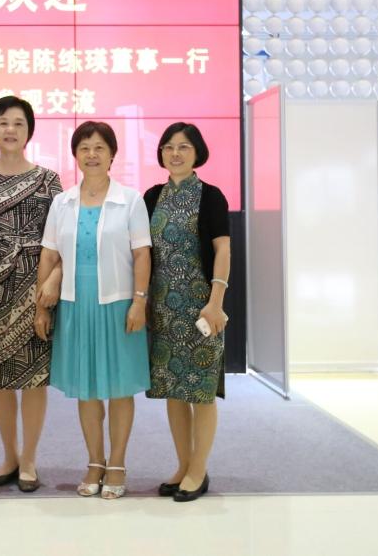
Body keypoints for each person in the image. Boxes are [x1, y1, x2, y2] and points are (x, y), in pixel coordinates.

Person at [34, 121, 151, 500]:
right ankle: (95, 461)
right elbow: (49, 255)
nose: (92, 154)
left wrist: (139, 300)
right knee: (86, 390)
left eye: (100, 147)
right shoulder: (62, 203)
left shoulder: (130, 200)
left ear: (112, 154)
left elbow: (141, 255)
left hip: (117, 304)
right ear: (75, 155)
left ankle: (117, 463)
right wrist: (41, 308)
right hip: (75, 304)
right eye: (84, 148)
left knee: (119, 388)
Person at [0, 97, 62, 493]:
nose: (10, 130)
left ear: (29, 131)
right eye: (3, 122)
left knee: (34, 379)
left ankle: (30, 459)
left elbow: (63, 238)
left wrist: (53, 282)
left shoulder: (49, 180)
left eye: (19, 123)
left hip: (37, 288)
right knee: (1, 379)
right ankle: (9, 456)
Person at [144, 122, 231, 503]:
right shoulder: (152, 197)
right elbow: (143, 254)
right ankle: (182, 466)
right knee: (173, 391)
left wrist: (216, 301)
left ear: (197, 153)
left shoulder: (210, 196)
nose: (175, 154)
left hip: (202, 309)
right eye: (168, 147)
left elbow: (223, 250)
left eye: (183, 147)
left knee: (201, 391)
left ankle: (199, 470)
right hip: (163, 309)